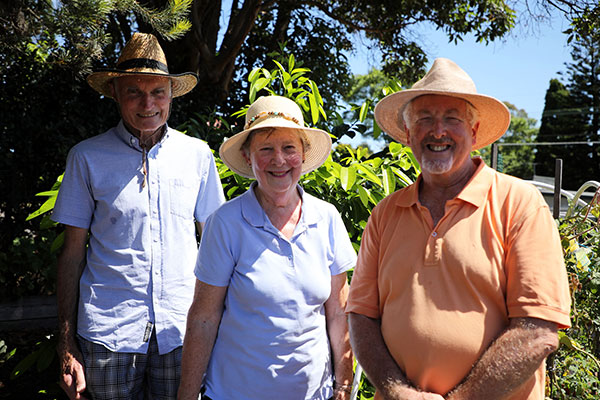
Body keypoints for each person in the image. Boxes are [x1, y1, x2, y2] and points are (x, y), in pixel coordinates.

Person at [346, 58, 572, 400]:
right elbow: (361, 316)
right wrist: (396, 391)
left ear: (474, 132)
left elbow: (537, 331)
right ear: (408, 133)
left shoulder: (519, 203)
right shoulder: (386, 214)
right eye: (424, 119)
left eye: (451, 118)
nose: (438, 131)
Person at [52, 32, 225, 400]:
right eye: (134, 91)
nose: (148, 103)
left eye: (158, 92)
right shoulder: (86, 157)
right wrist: (66, 346)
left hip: (182, 332)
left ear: (171, 95)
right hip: (107, 334)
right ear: (116, 93)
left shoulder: (197, 156)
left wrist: (224, 328)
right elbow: (71, 255)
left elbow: (217, 248)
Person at [177, 95, 356, 400]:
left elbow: (339, 312)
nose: (279, 160)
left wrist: (344, 384)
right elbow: (204, 317)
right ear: (248, 157)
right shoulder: (226, 222)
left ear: (303, 153)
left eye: (289, 148)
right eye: (266, 149)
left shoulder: (326, 218)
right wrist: (187, 394)